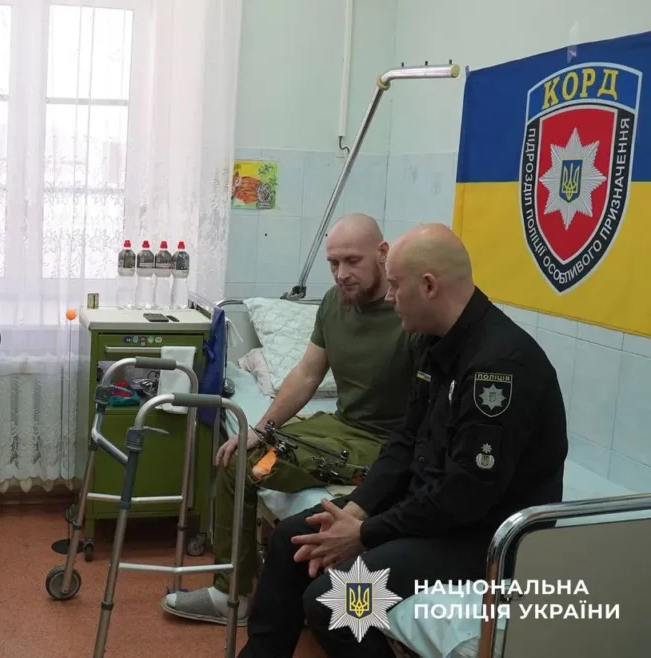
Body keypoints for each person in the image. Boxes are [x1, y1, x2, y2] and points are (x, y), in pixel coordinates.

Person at [237, 223, 568, 658]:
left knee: (334, 604)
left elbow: (465, 496)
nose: (389, 298)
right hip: (434, 513)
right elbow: (406, 441)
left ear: (428, 286)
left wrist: (365, 533)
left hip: (482, 541)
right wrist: (356, 509)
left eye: (395, 286)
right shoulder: (437, 345)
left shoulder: (498, 368)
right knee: (291, 540)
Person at [163, 214, 421, 626]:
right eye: (333, 263)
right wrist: (260, 428)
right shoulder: (334, 304)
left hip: (384, 444)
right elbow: (306, 374)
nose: (341, 274)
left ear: (383, 253)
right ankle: (231, 592)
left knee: (253, 468)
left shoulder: (409, 311)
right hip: (338, 425)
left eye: (352, 261)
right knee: (239, 460)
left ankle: (235, 596)